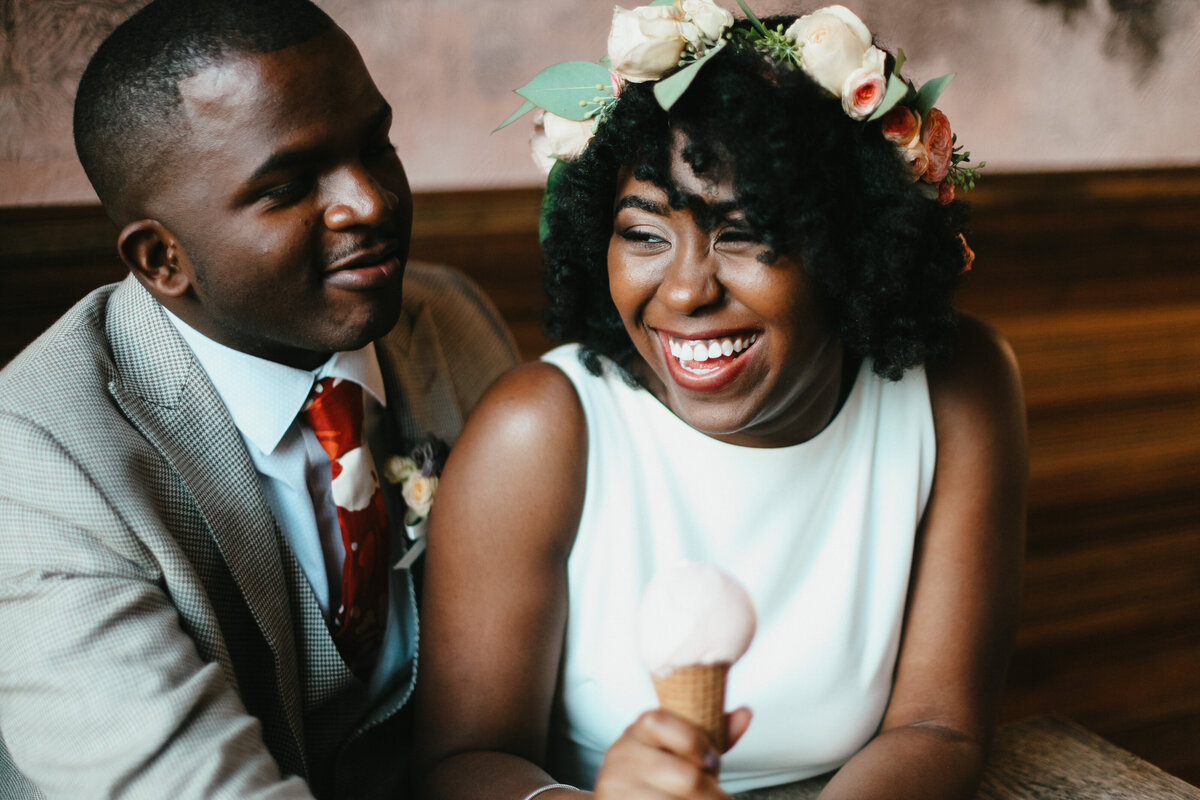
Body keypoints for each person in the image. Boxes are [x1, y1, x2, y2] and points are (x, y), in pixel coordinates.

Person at [414, 3, 1026, 799]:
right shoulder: (538, 432)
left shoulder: (957, 391)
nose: (684, 289)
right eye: (643, 234)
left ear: (849, 244)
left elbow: (938, 725)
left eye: (743, 233)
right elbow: (459, 765)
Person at [0, 0, 518, 797]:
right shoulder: (34, 456)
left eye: (376, 146)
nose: (370, 203)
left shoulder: (450, 323)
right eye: (287, 187)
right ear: (162, 259)